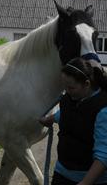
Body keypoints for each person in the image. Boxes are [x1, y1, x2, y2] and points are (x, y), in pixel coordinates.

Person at [40, 57, 107, 185]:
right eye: (65, 88)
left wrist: (85, 182)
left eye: (71, 88)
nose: (67, 92)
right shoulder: (71, 98)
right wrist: (49, 119)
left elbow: (104, 155)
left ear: (86, 84)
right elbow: (66, 114)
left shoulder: (102, 109)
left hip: (89, 179)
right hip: (62, 173)